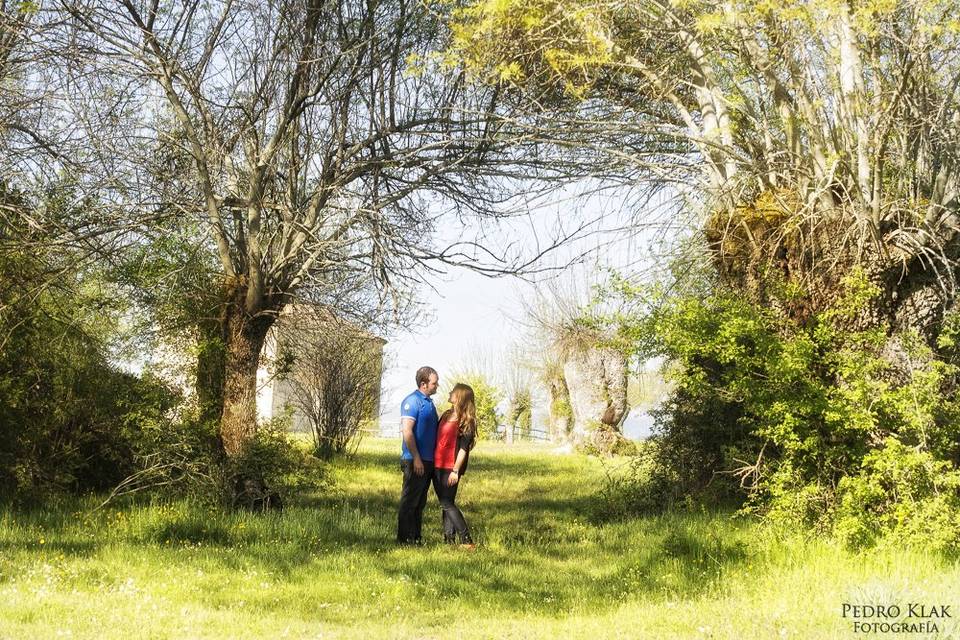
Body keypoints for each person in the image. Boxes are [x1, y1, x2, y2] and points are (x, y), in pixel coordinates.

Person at [396, 366, 440, 544]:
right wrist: (416, 458)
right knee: (409, 502)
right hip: (414, 460)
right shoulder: (412, 401)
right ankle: (404, 539)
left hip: (428, 461)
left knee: (420, 503)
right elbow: (407, 431)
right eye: (434, 383)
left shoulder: (429, 402)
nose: (437, 386)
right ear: (424, 384)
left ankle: (415, 537)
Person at [432, 383, 477, 547]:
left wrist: (455, 471)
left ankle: (466, 540)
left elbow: (463, 450)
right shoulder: (445, 415)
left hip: (451, 468)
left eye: (454, 391)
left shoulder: (466, 421)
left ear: (460, 397)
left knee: (447, 503)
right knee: (446, 503)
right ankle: (449, 541)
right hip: (436, 466)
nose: (450, 392)